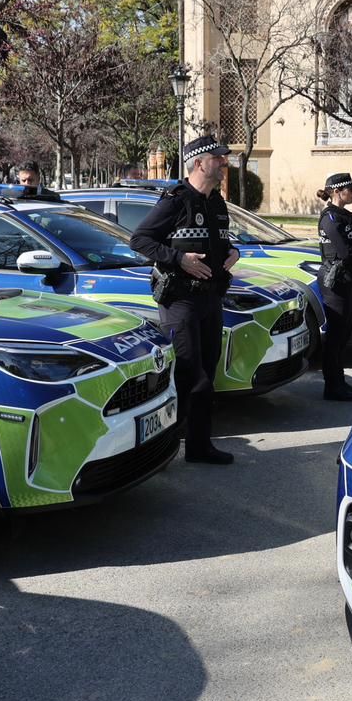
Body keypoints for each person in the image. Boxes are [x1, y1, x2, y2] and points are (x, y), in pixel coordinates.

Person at [130, 134, 240, 465]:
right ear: (199, 163)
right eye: (217, 158)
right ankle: (159, 450)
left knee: (207, 373)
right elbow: (139, 240)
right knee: (189, 375)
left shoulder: (216, 202)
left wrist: (233, 252)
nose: (223, 163)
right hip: (180, 301)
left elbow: (220, 242)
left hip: (210, 299)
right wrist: (179, 260)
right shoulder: (175, 201)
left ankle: (199, 446)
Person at [316, 172, 352, 402]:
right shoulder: (329, 218)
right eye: (349, 189)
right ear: (337, 191)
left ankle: (340, 381)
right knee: (336, 334)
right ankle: (332, 386)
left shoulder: (348, 216)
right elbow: (344, 251)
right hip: (336, 281)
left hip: (349, 279)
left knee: (345, 333)